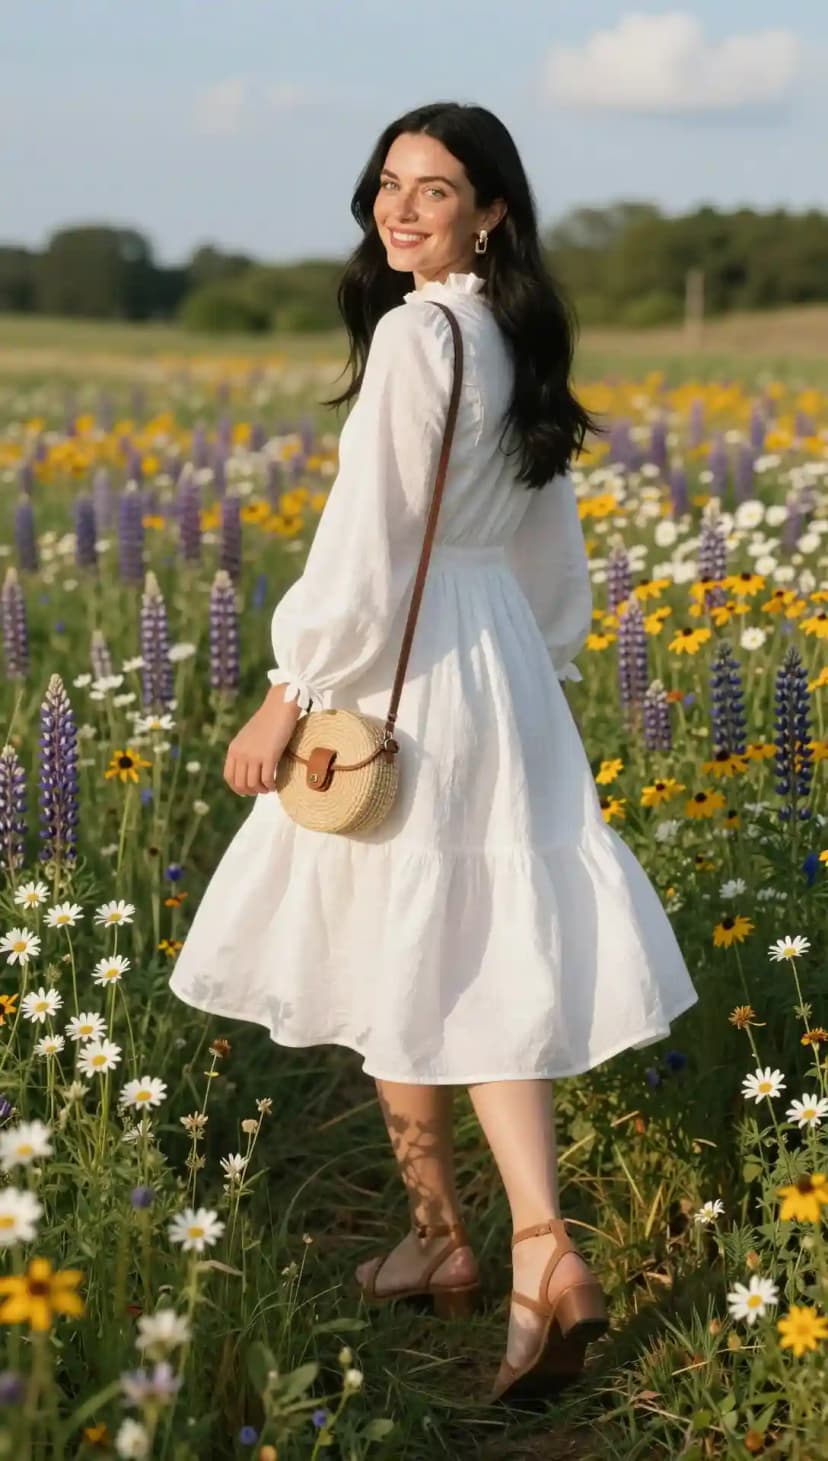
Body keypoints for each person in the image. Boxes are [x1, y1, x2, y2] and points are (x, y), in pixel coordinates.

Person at [169, 102, 699, 1404]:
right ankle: (509, 1245)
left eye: (437, 188)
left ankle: (477, 1238)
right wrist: (537, 659)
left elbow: (370, 538)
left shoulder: (418, 335)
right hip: (500, 662)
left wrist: (291, 687)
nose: (400, 209)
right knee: (475, 945)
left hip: (402, 670)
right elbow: (543, 539)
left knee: (391, 931)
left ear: (492, 210)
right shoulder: (513, 330)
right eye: (387, 185)